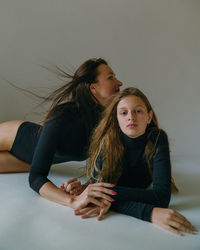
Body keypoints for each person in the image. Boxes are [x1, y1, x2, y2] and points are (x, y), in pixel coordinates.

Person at [63, 87, 197, 236]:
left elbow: (161, 197)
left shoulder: (158, 138)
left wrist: (102, 194)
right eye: (124, 112)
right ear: (116, 118)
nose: (131, 117)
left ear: (149, 117)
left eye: (138, 111)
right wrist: (149, 213)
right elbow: (99, 192)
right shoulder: (106, 141)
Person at [0, 58, 123, 210]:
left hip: (27, 162)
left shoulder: (110, 123)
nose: (119, 83)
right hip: (14, 136)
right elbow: (36, 178)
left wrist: (83, 188)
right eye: (111, 77)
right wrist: (73, 201)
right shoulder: (65, 114)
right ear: (93, 88)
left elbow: (108, 169)